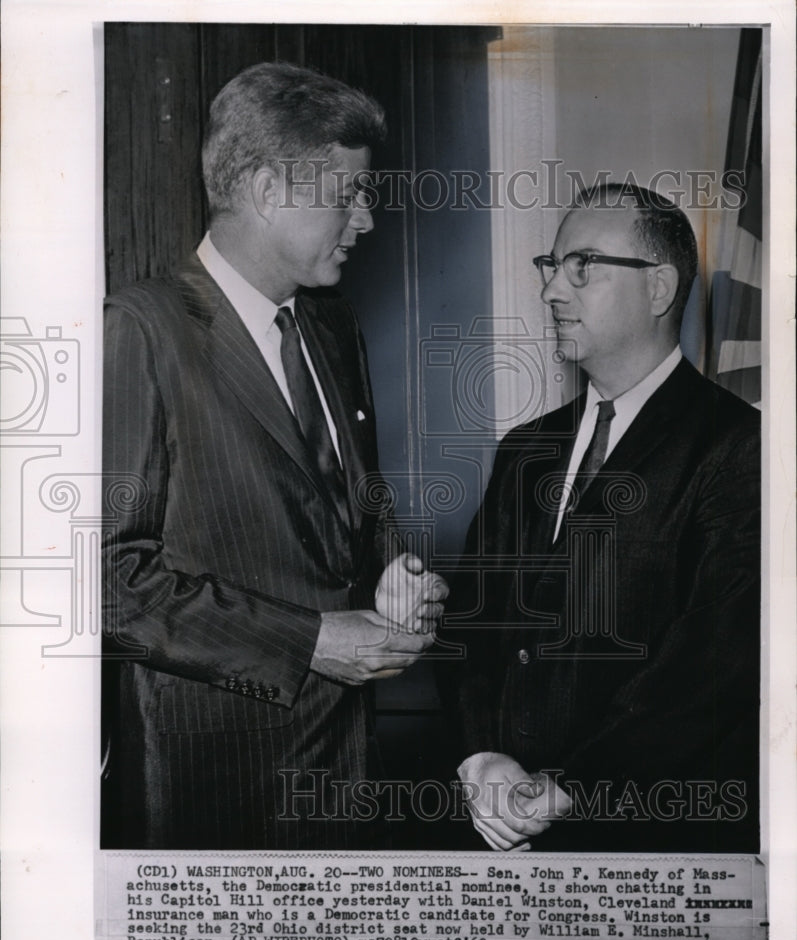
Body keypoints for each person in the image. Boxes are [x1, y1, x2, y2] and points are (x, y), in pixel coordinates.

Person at [101, 62, 447, 850]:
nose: (363, 220)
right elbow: (108, 586)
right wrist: (315, 641)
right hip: (213, 790)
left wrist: (398, 573)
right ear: (264, 190)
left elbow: (357, 505)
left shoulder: (331, 328)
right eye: (346, 196)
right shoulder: (140, 330)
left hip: (346, 772)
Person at [451, 183, 760, 853]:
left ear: (658, 288)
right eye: (551, 266)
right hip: (502, 834)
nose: (552, 291)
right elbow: (474, 628)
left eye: (582, 266)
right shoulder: (524, 450)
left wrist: (568, 787)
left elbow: (712, 667)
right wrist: (481, 759)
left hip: (656, 845)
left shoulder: (738, 446)